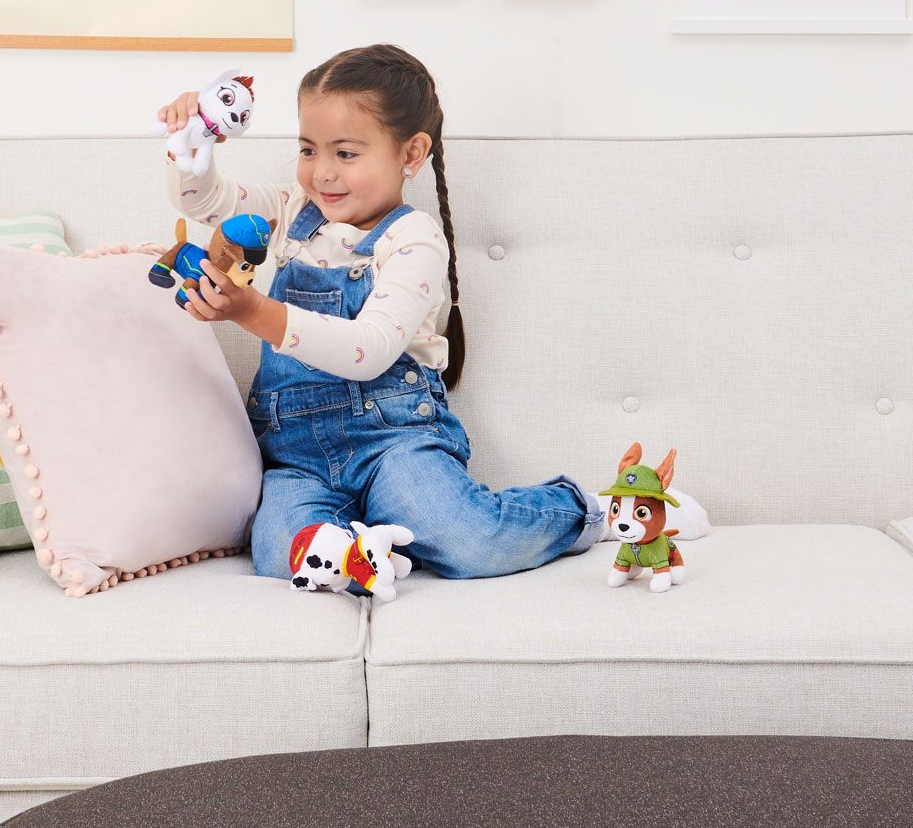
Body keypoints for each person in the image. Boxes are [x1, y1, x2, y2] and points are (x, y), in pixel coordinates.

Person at [155, 44, 707, 592]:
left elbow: (368, 350)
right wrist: (191, 144)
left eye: (345, 153)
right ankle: (375, 552)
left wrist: (255, 312)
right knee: (282, 554)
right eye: (307, 149)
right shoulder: (289, 210)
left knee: (469, 539)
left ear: (412, 153)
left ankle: (596, 511)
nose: (321, 173)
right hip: (296, 456)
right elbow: (204, 202)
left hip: (395, 442)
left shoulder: (413, 239)